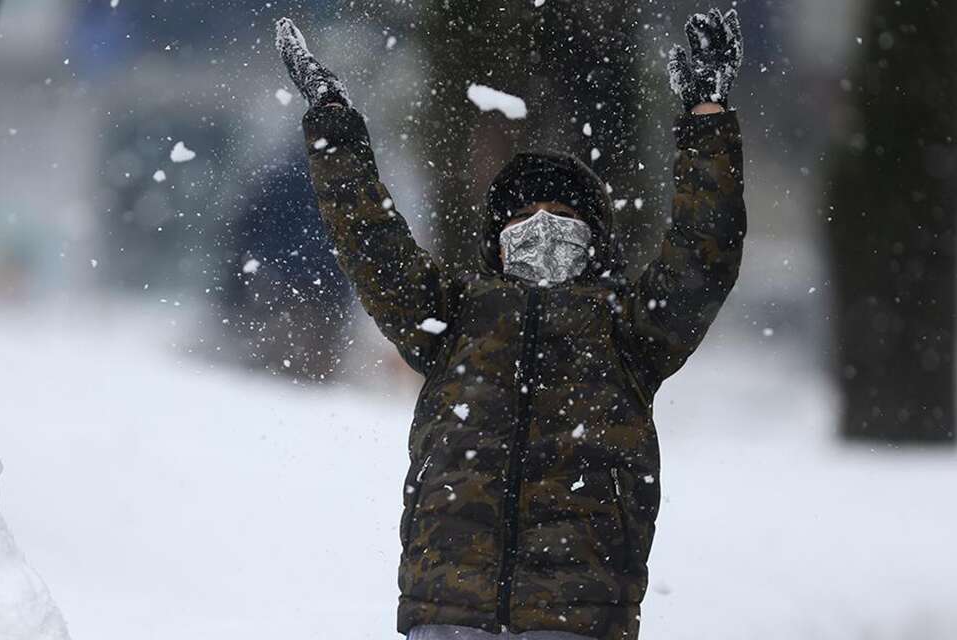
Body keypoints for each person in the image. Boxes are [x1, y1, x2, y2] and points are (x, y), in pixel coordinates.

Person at [276, 9, 745, 639]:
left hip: (576, 616)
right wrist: (334, 127)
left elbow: (703, 251)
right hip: (451, 613)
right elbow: (373, 243)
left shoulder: (628, 331)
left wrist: (707, 121)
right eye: (524, 213)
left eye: (563, 212)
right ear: (496, 241)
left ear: (597, 239)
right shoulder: (453, 316)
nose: (543, 225)